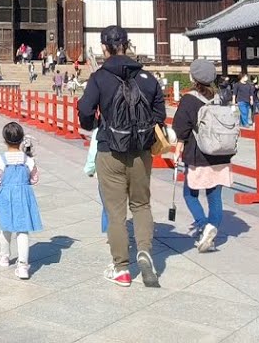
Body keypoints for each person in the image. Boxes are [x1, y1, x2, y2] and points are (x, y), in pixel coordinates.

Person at [77, 25, 166, 289]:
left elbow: (84, 108)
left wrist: (93, 124)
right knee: (141, 205)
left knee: (115, 212)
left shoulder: (99, 77)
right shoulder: (147, 78)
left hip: (110, 149)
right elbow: (160, 114)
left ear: (104, 47)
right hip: (140, 152)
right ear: (127, 45)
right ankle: (145, 252)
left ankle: (122, 269)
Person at [171, 59, 232, 253]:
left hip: (199, 154)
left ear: (193, 77)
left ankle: (204, 224)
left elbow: (181, 127)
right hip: (221, 154)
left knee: (190, 194)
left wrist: (178, 147)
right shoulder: (222, 97)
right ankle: (211, 230)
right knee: (215, 198)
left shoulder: (189, 99)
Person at [0, 122, 42, 280]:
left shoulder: (0, 160)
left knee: (5, 226)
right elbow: (34, 179)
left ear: (4, 139)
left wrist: (3, 185)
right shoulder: (28, 160)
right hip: (23, 194)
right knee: (23, 229)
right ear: (21, 139)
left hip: (6, 194)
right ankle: (22, 265)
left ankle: (5, 256)